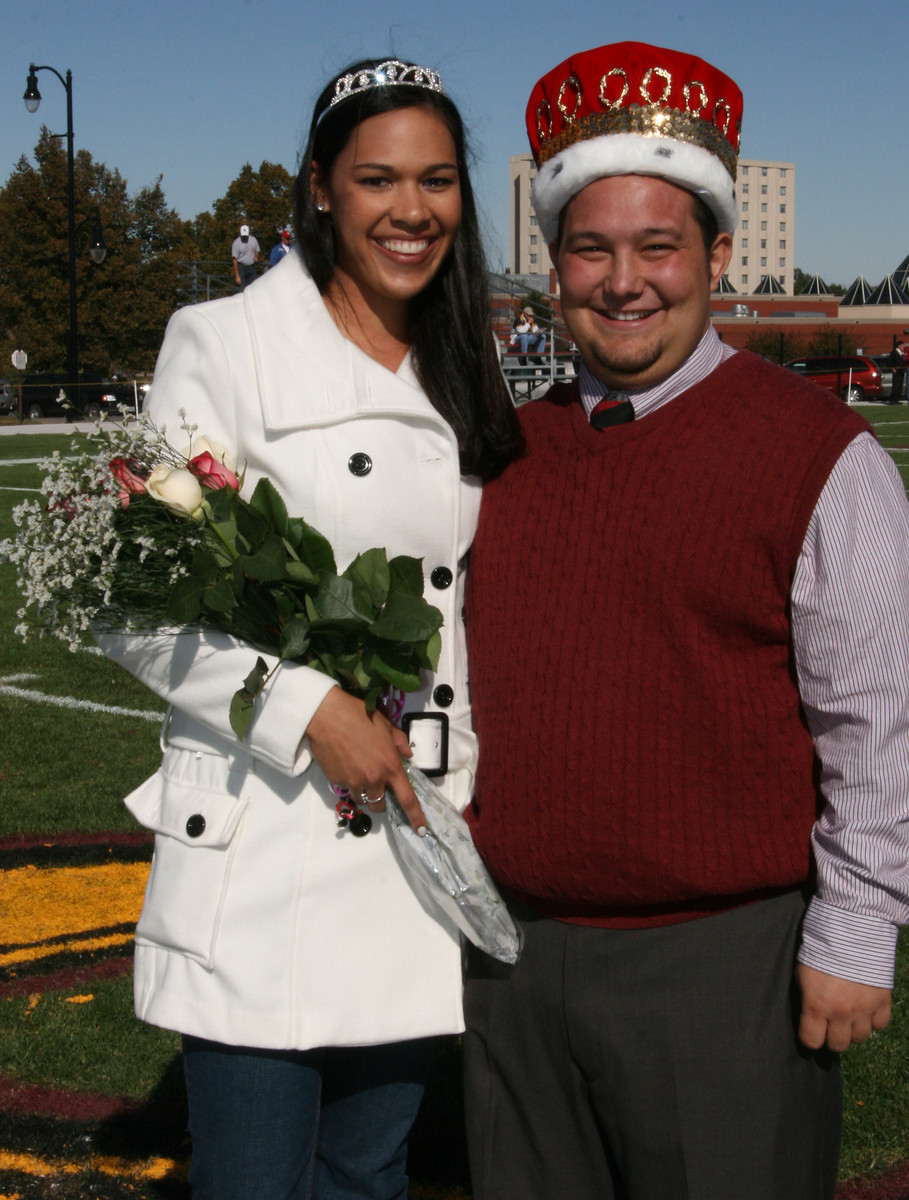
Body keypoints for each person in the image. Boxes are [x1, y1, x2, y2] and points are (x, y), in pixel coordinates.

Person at [461, 40, 909, 1200]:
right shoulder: (500, 450)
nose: (624, 280)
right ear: (554, 263)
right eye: (591, 248)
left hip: (723, 966)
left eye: (657, 247)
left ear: (717, 255)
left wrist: (856, 931)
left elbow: (880, 715)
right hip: (508, 965)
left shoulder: (814, 451)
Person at [99, 55, 522, 1200]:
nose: (411, 210)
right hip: (268, 831)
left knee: (366, 1175)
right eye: (378, 179)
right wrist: (308, 709)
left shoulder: (463, 357)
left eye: (437, 181)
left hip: (411, 837)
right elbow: (126, 602)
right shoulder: (222, 340)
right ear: (319, 189)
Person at [231, 223, 261, 289]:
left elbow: (257, 250)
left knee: (252, 288)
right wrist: (237, 275)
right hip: (242, 267)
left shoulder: (253, 240)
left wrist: (256, 256)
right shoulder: (236, 243)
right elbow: (234, 259)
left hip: (252, 267)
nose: (244, 237)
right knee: (241, 290)